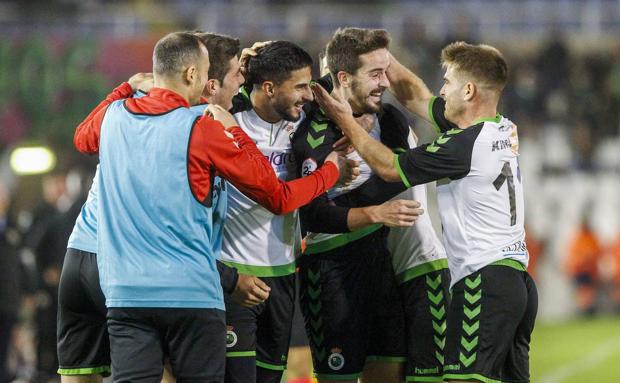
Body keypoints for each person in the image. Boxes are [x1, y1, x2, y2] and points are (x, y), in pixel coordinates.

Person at [72, 32, 340, 383]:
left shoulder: (115, 117)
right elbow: (277, 196)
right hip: (191, 293)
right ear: (193, 76)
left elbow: (82, 138)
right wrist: (328, 171)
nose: (240, 82)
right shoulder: (202, 127)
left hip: (126, 293)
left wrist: (125, 88)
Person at [312, 41, 538, 383]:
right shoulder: (501, 129)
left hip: (484, 280)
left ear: (469, 90)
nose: (442, 90)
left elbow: (390, 168)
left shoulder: (462, 146)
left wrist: (346, 120)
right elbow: (416, 96)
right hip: (517, 282)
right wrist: (382, 55)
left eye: (447, 82)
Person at [292, 28, 424, 383]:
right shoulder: (312, 127)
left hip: (384, 264)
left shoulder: (392, 121)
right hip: (333, 270)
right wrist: (373, 212)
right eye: (376, 74)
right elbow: (313, 213)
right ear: (344, 78)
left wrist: (354, 196)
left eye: (386, 72)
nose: (385, 83)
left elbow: (400, 178)